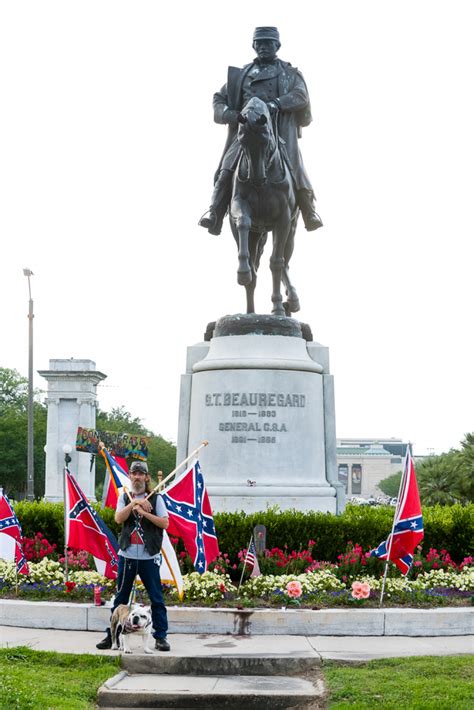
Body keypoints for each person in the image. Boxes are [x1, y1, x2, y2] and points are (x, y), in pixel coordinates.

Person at [199, 26, 323, 236]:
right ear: (254, 45)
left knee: (296, 168)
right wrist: (231, 114)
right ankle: (215, 211)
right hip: (245, 128)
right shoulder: (242, 74)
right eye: (260, 43)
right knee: (227, 167)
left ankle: (309, 210)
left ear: (277, 46)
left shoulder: (290, 73)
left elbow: (301, 95)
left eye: (268, 43)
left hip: (277, 131)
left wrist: (277, 103)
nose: (264, 47)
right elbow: (219, 99)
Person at [96, 460, 171, 652]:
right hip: (127, 556)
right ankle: (112, 634)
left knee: (156, 598)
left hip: (148, 557)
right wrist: (135, 503)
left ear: (146, 477)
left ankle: (160, 637)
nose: (137, 477)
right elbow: (118, 518)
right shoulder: (125, 497)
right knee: (120, 597)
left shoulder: (157, 499)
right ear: (129, 476)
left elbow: (164, 524)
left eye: (140, 474)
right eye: (133, 473)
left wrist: (145, 513)